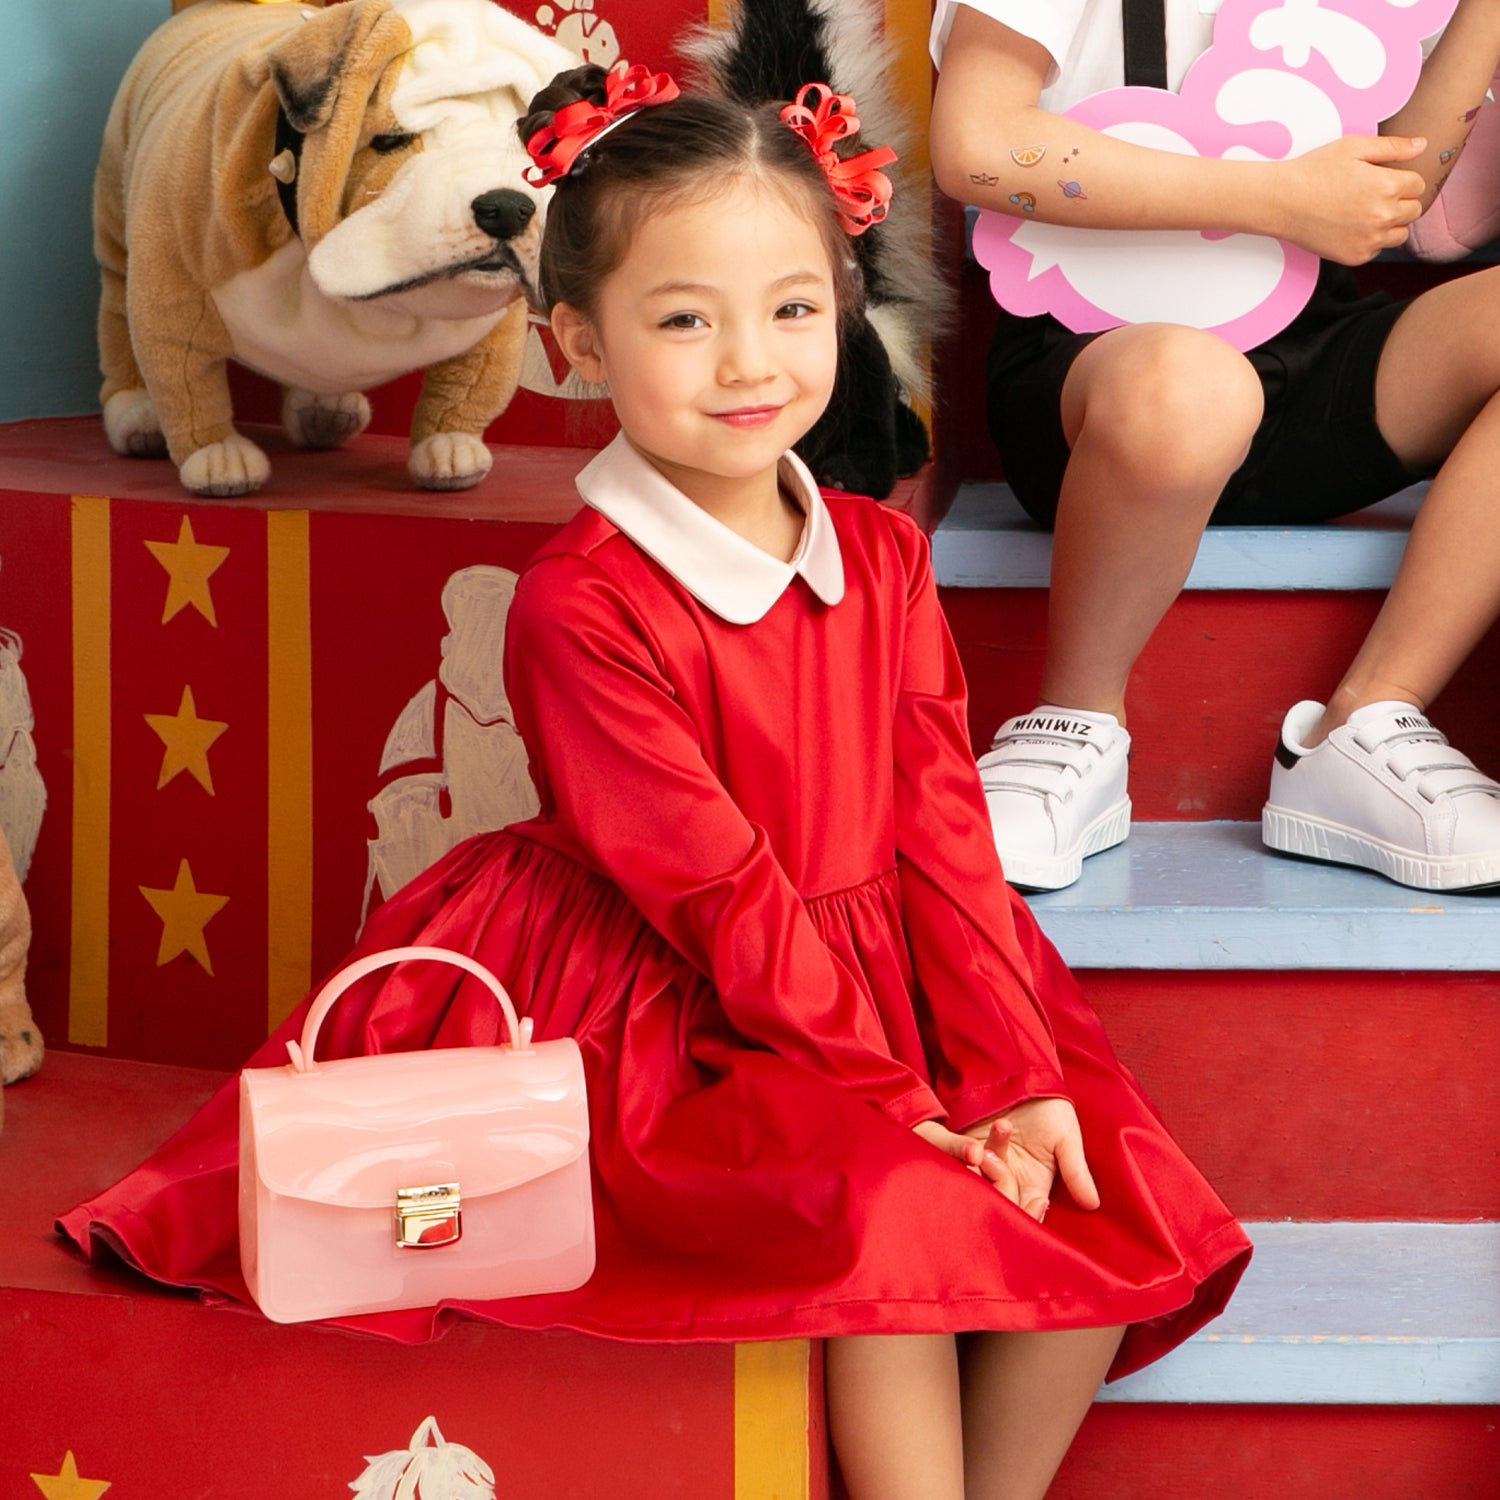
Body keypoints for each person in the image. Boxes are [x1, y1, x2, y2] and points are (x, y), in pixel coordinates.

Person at [60, 64, 1249, 1500]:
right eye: (685, 318)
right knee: (900, 1212)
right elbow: (712, 890)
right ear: (576, 343)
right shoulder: (586, 602)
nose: (750, 361)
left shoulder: (877, 555)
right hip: (671, 991)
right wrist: (903, 1108)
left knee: (1094, 1179)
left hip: (895, 959)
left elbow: (941, 830)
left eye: (793, 309)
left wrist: (1009, 1075)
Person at [929, 0, 1500, 892]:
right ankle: (1074, 725)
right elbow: (977, 141)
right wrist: (1277, 196)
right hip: (1101, 364)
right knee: (1189, 386)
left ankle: (1366, 724)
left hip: (1305, 342)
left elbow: (1394, 196)